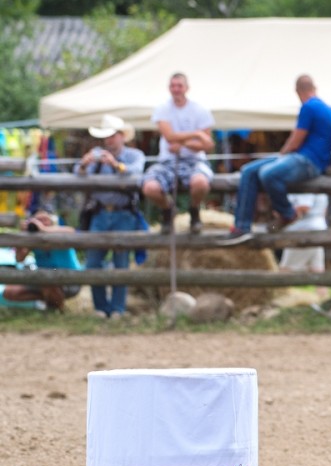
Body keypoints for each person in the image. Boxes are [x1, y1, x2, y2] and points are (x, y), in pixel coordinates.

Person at [228, 75, 331, 239]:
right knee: (248, 170)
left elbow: (295, 140)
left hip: (308, 161)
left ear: (298, 91)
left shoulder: (309, 107)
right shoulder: (327, 109)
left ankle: (286, 213)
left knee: (267, 173)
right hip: (307, 158)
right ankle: (242, 226)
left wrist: (281, 155)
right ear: (314, 88)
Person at [75, 114, 147, 319]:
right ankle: (100, 308)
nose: (108, 140)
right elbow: (76, 173)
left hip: (124, 214)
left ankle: (117, 309)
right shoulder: (96, 155)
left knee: (121, 263)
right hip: (99, 213)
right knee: (93, 263)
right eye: (106, 136)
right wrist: (84, 164)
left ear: (122, 136)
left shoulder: (134, 155)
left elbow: (136, 173)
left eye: (112, 135)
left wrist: (116, 164)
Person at [141, 72, 215, 235]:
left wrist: (181, 144)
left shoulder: (200, 109)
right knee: (150, 187)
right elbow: (169, 137)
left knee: (200, 183)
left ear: (187, 88)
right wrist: (196, 135)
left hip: (194, 161)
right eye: (173, 86)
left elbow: (208, 144)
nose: (176, 89)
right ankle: (168, 209)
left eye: (179, 85)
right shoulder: (163, 108)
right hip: (168, 161)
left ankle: (194, 210)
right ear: (169, 88)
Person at [1, 209, 83, 312]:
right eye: (38, 220)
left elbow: (71, 231)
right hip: (43, 279)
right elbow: (19, 259)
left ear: (52, 222)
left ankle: (57, 307)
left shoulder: (60, 234)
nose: (40, 223)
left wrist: (43, 229)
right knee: (9, 292)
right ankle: (49, 301)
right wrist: (22, 236)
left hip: (71, 281)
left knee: (47, 281)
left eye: (44, 219)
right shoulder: (33, 240)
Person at [278, 192, 329, 273]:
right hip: (316, 230)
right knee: (317, 271)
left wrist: (283, 214)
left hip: (303, 232)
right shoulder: (319, 184)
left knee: (285, 270)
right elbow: (324, 211)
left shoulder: (304, 186)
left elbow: (304, 207)